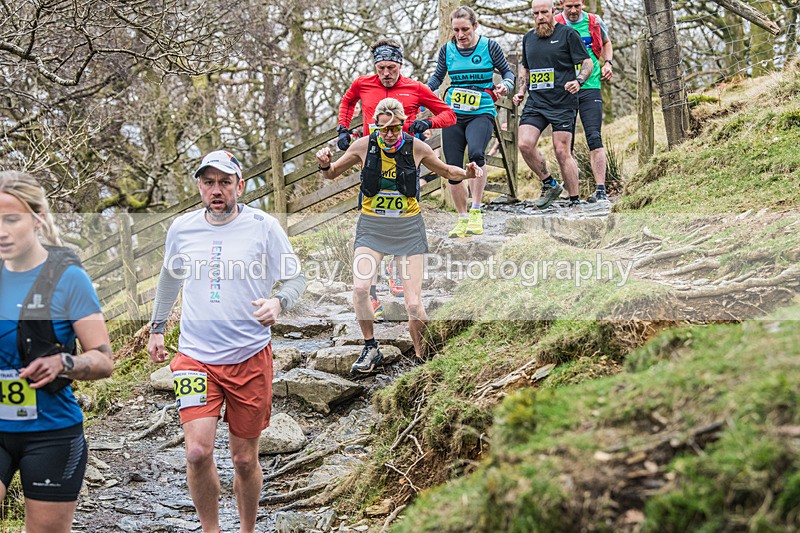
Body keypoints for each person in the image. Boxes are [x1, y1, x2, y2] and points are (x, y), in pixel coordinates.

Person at [147, 150, 305, 533]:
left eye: (224, 182)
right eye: (208, 182)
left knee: (243, 460)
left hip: (249, 355)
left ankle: (247, 529)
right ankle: (211, 530)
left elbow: (295, 279)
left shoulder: (263, 226)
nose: (216, 190)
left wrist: (279, 302)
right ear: (199, 185)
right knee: (197, 452)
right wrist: (156, 327)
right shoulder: (182, 228)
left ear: (240, 185)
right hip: (194, 357)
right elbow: (170, 278)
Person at [316, 98, 481, 371]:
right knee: (359, 289)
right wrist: (324, 164)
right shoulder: (363, 145)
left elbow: (444, 170)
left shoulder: (416, 146)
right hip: (372, 227)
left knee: (414, 305)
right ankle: (371, 349)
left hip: (407, 229)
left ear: (403, 125)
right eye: (385, 130)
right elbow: (332, 174)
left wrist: (467, 172)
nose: (391, 135)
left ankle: (423, 358)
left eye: (396, 128)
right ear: (375, 127)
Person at [0, 171, 114, 533]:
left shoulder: (67, 278)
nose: (1, 230)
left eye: (11, 219)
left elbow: (103, 358)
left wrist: (65, 362)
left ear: (37, 219)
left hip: (51, 432)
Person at [337, 39, 457, 318]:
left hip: (404, 163)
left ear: (400, 65)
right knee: (370, 218)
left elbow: (448, 114)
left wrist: (428, 122)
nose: (386, 73)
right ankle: (372, 292)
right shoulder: (362, 84)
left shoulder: (415, 88)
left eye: (391, 67)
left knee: (402, 216)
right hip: (372, 162)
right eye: (381, 68)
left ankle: (396, 269)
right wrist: (343, 128)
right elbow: (347, 101)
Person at [427, 6, 515, 238]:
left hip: (481, 110)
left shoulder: (489, 46)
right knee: (452, 166)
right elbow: (438, 76)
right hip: (454, 113)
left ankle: (476, 210)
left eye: (465, 29)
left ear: (475, 26)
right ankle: (462, 217)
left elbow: (508, 74)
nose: (461, 34)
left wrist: (505, 86)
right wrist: (424, 90)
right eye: (456, 30)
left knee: (476, 155)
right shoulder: (447, 50)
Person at [513, 0, 592, 209]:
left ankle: (575, 200)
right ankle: (549, 183)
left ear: (553, 12)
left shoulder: (567, 34)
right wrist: (521, 90)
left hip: (563, 101)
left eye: (544, 12)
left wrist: (579, 81)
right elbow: (525, 68)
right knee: (524, 144)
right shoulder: (528, 38)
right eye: (536, 13)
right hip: (536, 102)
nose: (540, 17)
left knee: (561, 150)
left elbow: (587, 61)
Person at [556, 0, 614, 203]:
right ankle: (572, 192)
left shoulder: (594, 21)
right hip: (564, 89)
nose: (573, 11)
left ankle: (600, 190)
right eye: (569, 6)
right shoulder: (555, 23)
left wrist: (608, 63)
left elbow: (606, 43)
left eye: (577, 6)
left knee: (594, 136)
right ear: (561, 3)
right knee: (564, 143)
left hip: (590, 86)